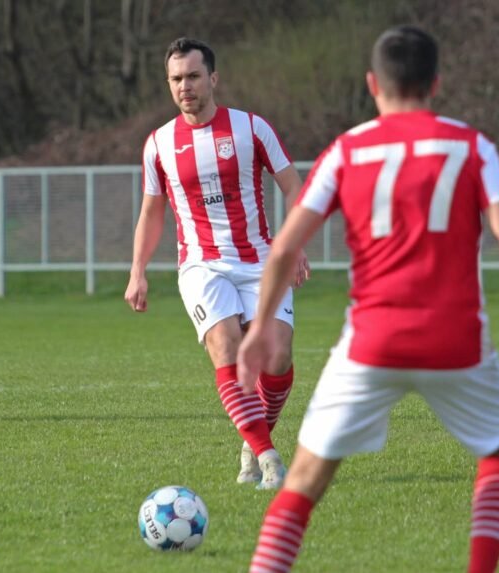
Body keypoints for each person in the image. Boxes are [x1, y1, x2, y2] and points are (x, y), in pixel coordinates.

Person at [238, 26, 499, 573]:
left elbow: (284, 247)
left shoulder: (347, 150)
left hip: (372, 343)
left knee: (304, 481)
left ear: (372, 84)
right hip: (457, 341)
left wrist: (260, 326)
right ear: (436, 83)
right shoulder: (472, 146)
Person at [124, 37, 310, 490]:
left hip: (261, 260)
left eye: (192, 76)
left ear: (213, 78)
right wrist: (137, 272)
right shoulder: (159, 144)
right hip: (201, 264)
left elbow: (293, 186)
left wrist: (295, 243)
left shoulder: (251, 128)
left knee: (277, 355)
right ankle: (268, 457)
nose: (184, 86)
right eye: (176, 79)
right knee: (226, 347)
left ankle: (252, 439)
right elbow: (151, 212)